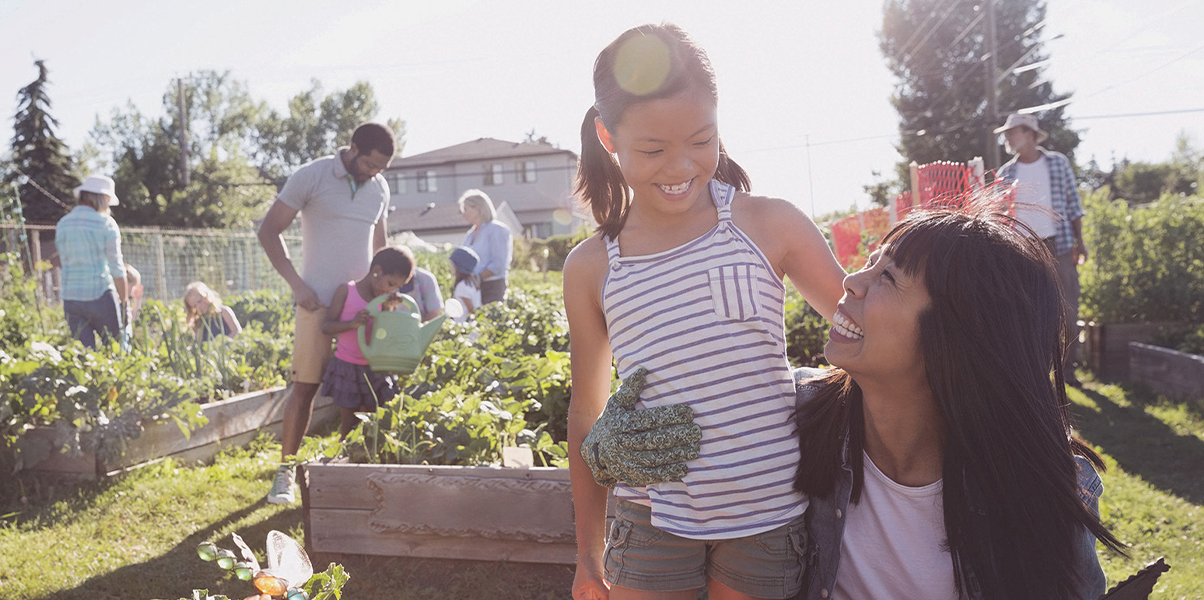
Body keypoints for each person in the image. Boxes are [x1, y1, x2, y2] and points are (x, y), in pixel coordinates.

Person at [591, 211, 1124, 600]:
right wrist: (609, 447)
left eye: (888, 277)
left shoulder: (1043, 486)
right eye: (872, 262)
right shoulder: (786, 414)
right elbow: (680, 421)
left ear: (959, 339)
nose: (852, 280)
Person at [564, 24, 847, 600]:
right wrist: (588, 554)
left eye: (701, 139)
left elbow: (865, 329)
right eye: (652, 149)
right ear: (607, 136)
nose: (681, 165)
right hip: (649, 518)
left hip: (767, 515)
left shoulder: (769, 225)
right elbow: (585, 414)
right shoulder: (593, 266)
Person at [256, 122, 396, 505]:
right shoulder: (312, 176)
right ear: (353, 149)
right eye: (369, 164)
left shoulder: (379, 189)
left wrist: (385, 295)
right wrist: (297, 286)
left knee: (364, 389)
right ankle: (285, 473)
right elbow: (269, 230)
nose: (373, 173)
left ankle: (349, 470)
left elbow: (381, 248)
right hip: (315, 302)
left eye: (380, 168)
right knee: (305, 386)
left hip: (363, 309)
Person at [994, 113, 1087, 386]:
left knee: (1068, 312)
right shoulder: (1006, 173)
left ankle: (1068, 371)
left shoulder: (1057, 163)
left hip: (1057, 244)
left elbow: (1073, 205)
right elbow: (1000, 218)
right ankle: (1039, 373)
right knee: (1032, 312)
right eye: (1007, 133)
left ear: (1030, 134)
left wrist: (1080, 242)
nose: (1008, 138)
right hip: (1023, 250)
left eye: (1013, 132)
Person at [320, 246, 414, 439]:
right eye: (389, 283)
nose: (390, 290)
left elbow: (385, 334)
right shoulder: (346, 291)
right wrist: (352, 324)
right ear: (376, 271)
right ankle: (346, 460)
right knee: (349, 422)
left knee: (374, 421)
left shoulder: (384, 299)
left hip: (374, 367)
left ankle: (368, 460)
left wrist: (388, 309)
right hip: (348, 366)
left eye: (395, 287)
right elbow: (326, 326)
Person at [56, 175, 128, 348]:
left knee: (84, 357)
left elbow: (64, 260)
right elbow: (116, 268)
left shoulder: (63, 224)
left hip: (71, 298)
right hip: (100, 295)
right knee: (115, 351)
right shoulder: (106, 224)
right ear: (102, 198)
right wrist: (124, 303)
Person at [458, 189, 512, 305]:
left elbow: (499, 264)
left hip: (492, 287)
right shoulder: (470, 235)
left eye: (466, 209)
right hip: (473, 288)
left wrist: (478, 278)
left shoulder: (497, 230)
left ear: (478, 208)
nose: (463, 214)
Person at [448, 247, 482, 323]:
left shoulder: (462, 287)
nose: (451, 267)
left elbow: (472, 310)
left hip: (465, 329)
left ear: (459, 267)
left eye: (452, 265)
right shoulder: (472, 283)